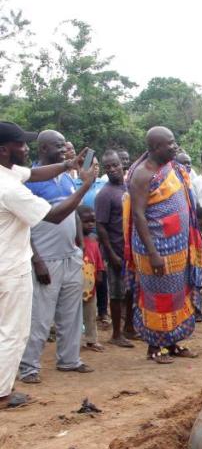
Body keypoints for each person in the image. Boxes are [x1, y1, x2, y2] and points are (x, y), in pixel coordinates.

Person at [0, 123, 96, 408]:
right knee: (13, 331)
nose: (26, 149)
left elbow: (34, 172)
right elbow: (53, 215)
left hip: (11, 264)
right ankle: (3, 393)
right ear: (4, 150)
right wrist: (86, 185)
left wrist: (70, 163)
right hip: (10, 269)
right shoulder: (9, 189)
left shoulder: (8, 172)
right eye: (21, 144)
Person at [124, 126, 202, 363]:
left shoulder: (172, 169)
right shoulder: (142, 174)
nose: (175, 146)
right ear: (154, 148)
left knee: (177, 296)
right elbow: (139, 216)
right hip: (155, 249)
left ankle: (172, 342)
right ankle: (154, 346)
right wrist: (153, 253)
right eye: (169, 143)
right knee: (156, 297)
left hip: (179, 248)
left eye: (174, 142)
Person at [95, 150, 135, 348]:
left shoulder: (128, 188)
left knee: (130, 292)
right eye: (107, 166)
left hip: (132, 250)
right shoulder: (105, 194)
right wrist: (111, 254)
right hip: (116, 250)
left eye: (115, 165)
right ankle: (116, 333)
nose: (112, 169)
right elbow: (101, 226)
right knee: (117, 293)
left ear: (122, 165)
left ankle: (129, 327)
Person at [78, 205, 105, 352]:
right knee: (74, 315)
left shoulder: (94, 240)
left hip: (90, 286)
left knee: (90, 314)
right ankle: (76, 340)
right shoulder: (73, 241)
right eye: (86, 221)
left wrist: (99, 274)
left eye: (92, 221)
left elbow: (98, 260)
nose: (90, 224)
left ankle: (91, 340)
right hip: (75, 286)